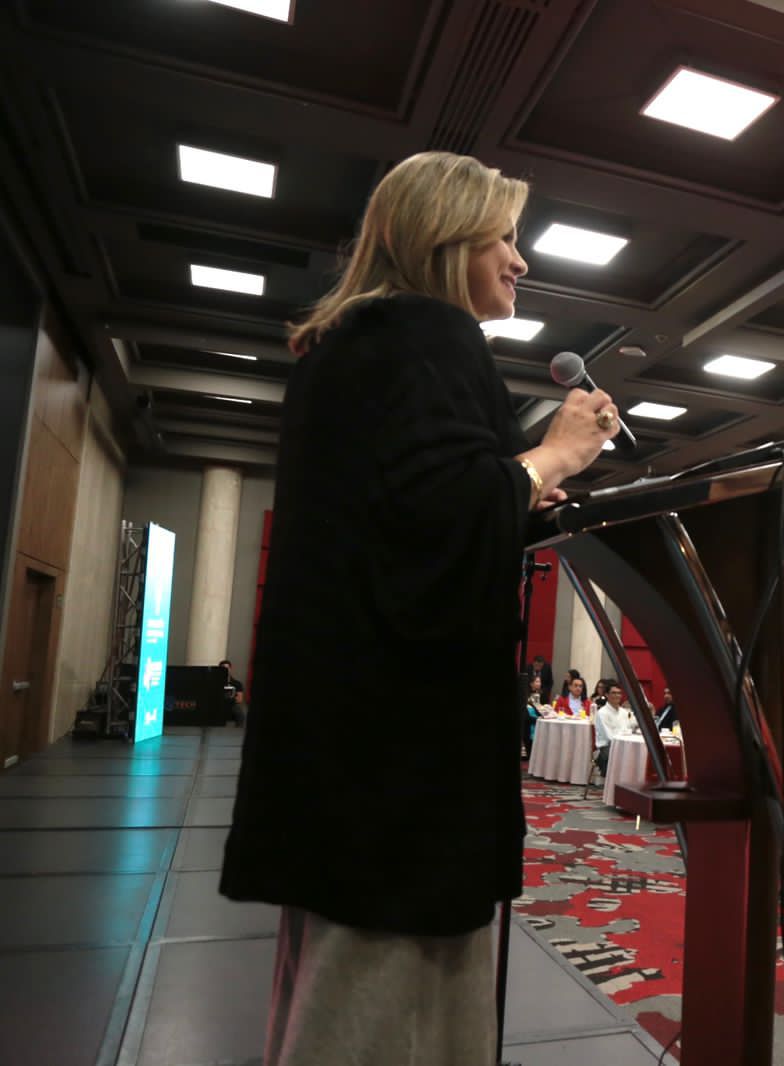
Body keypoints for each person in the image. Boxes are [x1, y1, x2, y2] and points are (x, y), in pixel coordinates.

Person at [219, 151, 618, 1065]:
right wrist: (547, 459)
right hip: (398, 774)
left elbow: (400, 521)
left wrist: (513, 488)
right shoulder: (429, 338)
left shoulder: (358, 343)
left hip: (345, 753)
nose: (521, 261)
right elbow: (435, 533)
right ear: (445, 239)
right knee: (384, 1017)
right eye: (504, 238)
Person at [594, 682, 633, 773]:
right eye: (614, 693)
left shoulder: (624, 712)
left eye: (619, 693)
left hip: (624, 744)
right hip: (607, 747)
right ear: (607, 695)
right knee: (628, 755)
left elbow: (632, 726)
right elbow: (609, 737)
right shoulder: (602, 713)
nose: (617, 695)